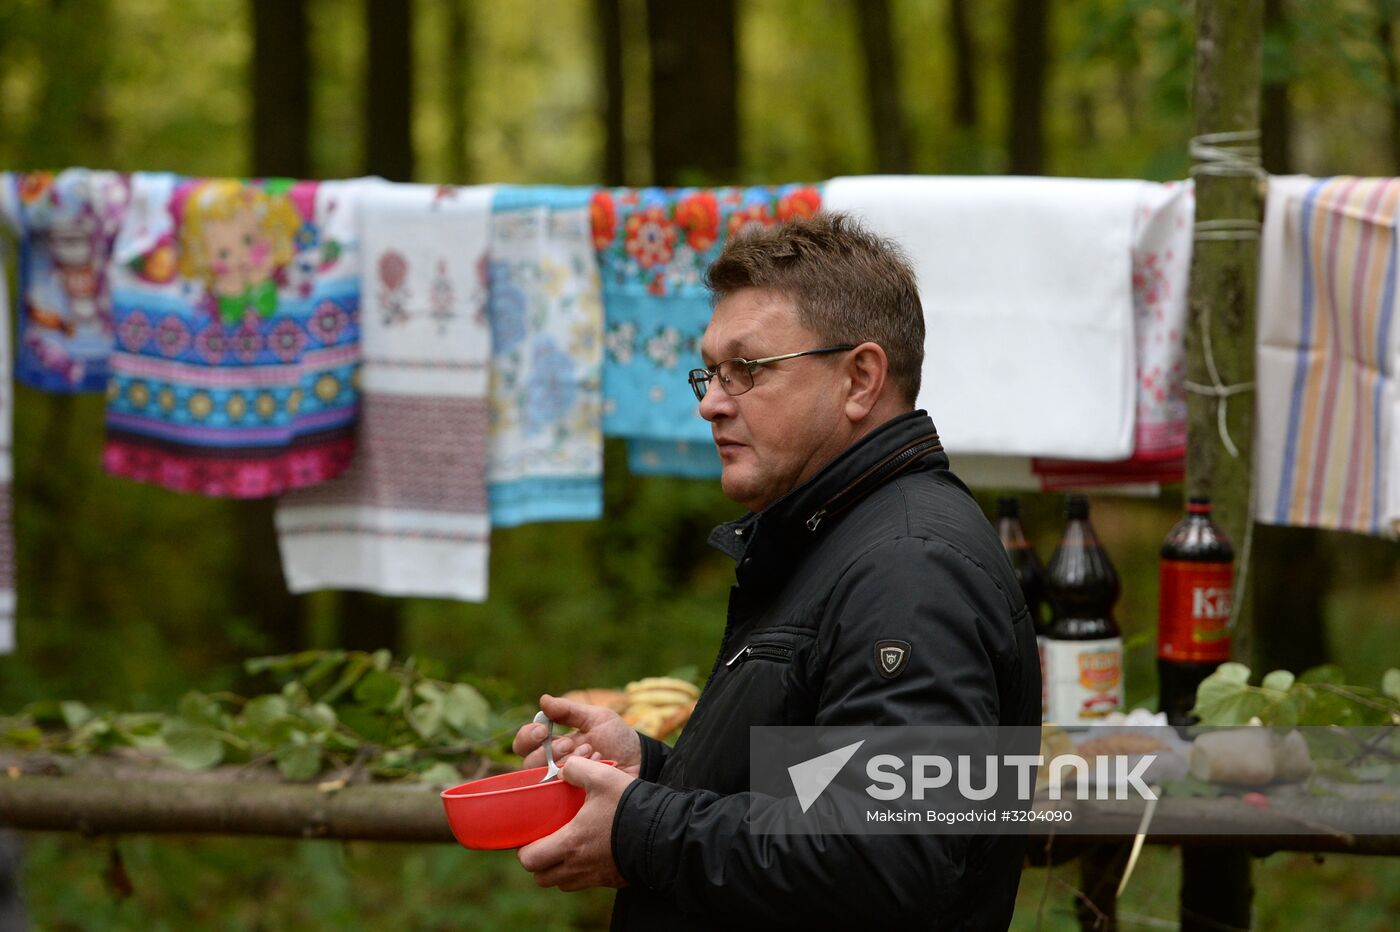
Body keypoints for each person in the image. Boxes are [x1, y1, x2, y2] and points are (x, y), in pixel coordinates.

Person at [513, 212, 1041, 930]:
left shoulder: (912, 569)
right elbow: (809, 799)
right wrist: (650, 773)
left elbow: (886, 856)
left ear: (860, 378)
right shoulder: (830, 537)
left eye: (748, 370)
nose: (709, 402)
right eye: (710, 370)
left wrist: (642, 828)